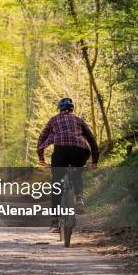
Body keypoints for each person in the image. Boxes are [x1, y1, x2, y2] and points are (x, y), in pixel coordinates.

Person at [37, 98, 98, 230]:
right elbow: (92, 140)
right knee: (77, 172)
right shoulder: (79, 120)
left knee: (56, 184)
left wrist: (41, 158)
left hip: (61, 151)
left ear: (60, 108)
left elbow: (42, 139)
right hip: (79, 150)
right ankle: (80, 198)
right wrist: (94, 161)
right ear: (72, 109)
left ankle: (55, 222)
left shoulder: (54, 120)